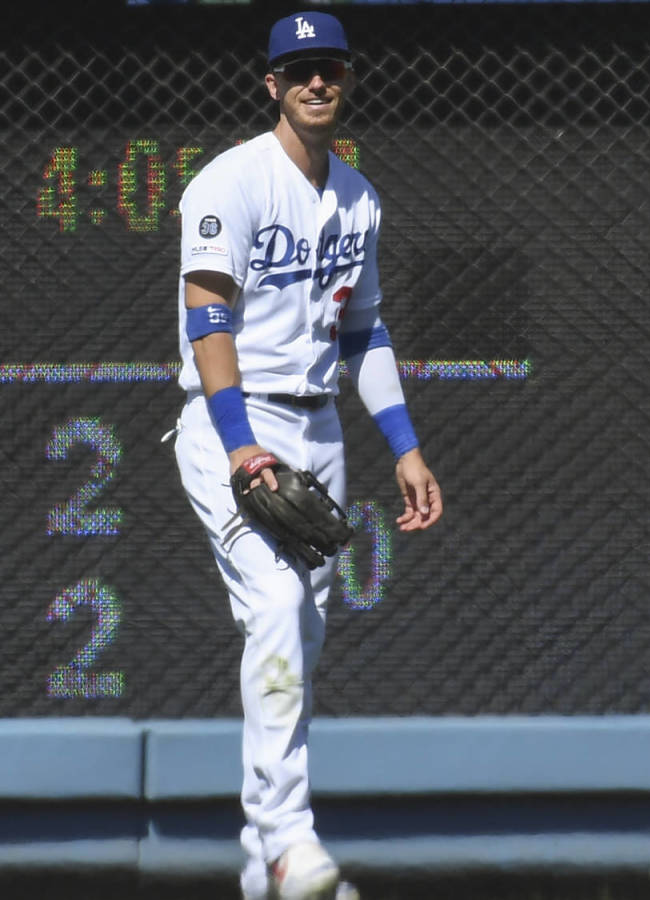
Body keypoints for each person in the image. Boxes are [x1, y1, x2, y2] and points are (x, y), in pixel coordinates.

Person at [171, 12, 442, 900]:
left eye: (328, 68)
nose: (315, 82)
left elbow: (362, 330)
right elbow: (207, 316)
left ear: (347, 77)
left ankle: (267, 873)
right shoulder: (232, 180)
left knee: (303, 640)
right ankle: (288, 837)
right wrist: (241, 440)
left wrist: (402, 444)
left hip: (320, 429)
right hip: (232, 428)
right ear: (272, 85)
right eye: (298, 71)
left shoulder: (360, 198)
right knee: (280, 611)